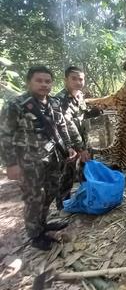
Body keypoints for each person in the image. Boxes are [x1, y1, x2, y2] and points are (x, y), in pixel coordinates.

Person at [0, 66, 77, 250]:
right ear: (29, 82)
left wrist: (69, 147)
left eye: (48, 81)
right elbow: (5, 135)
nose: (44, 85)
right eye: (39, 81)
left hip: (53, 158)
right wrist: (10, 164)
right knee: (34, 197)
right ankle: (35, 235)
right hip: (28, 162)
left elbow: (61, 127)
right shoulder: (15, 105)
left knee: (50, 192)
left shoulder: (54, 103)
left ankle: (43, 224)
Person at [55, 66, 101, 209]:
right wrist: (80, 149)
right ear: (66, 80)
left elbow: (81, 115)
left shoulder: (80, 95)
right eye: (74, 79)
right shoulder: (60, 100)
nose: (78, 82)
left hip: (82, 140)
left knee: (85, 169)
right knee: (67, 174)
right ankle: (63, 206)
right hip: (68, 144)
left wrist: (94, 112)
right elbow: (68, 124)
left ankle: (87, 196)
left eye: (80, 79)